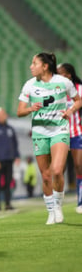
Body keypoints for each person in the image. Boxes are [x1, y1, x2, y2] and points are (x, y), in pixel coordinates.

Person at [17, 52, 81, 224]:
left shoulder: (64, 82)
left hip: (59, 129)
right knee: (45, 176)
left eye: (34, 63)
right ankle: (51, 211)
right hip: (39, 132)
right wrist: (31, 109)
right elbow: (19, 111)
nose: (31, 66)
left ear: (44, 66)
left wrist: (69, 111)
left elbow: (78, 100)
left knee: (57, 171)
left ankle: (58, 206)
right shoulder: (29, 85)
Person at [57, 63, 82, 214]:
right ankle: (57, 205)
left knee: (79, 165)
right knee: (59, 169)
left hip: (77, 131)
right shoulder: (56, 90)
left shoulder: (79, 89)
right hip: (60, 133)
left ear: (68, 75)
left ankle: (81, 201)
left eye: (60, 73)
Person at [0, 107, 20, 211]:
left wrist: (17, 155)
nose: (2, 117)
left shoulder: (10, 129)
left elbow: (15, 144)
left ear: (5, 115)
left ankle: (7, 203)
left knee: (8, 181)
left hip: (9, 159)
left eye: (3, 115)